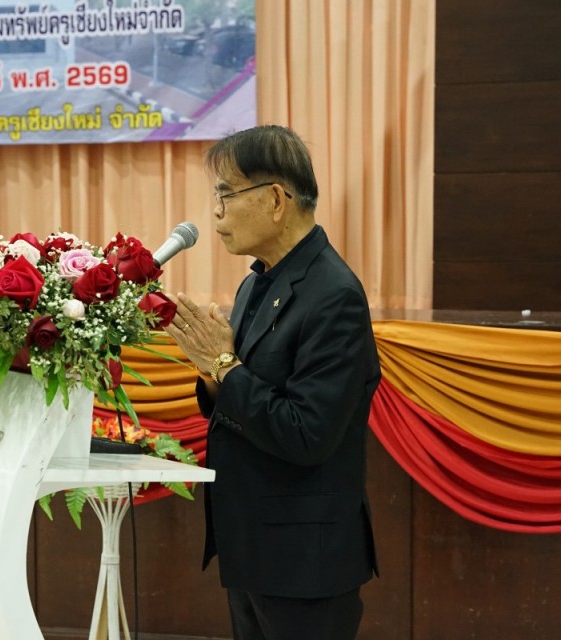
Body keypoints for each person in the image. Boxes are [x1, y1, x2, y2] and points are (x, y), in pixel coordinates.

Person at [164, 125, 380, 640]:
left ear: (277, 200)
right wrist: (211, 373)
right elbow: (240, 393)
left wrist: (223, 365)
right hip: (254, 547)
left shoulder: (334, 295)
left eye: (226, 195)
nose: (215, 213)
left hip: (306, 562)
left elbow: (307, 434)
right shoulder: (256, 282)